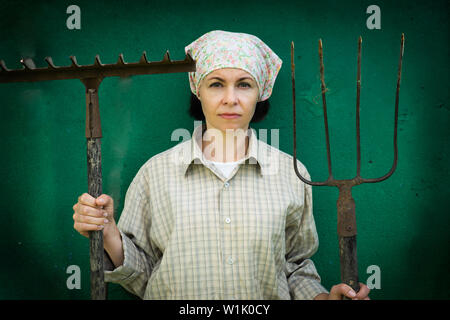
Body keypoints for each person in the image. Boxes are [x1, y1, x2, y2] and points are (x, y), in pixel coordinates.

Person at [72, 30, 370, 300]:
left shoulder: (292, 174)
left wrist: (322, 300)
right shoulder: (156, 172)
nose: (231, 99)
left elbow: (294, 267)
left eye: (244, 84)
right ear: (198, 90)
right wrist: (108, 230)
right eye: (216, 84)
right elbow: (144, 272)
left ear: (261, 92)